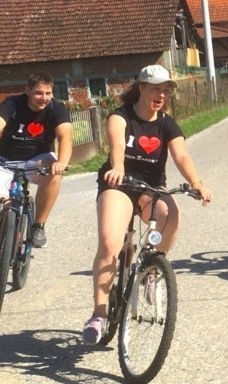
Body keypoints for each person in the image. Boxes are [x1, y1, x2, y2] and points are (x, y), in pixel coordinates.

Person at [82, 64, 212, 345]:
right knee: (109, 245)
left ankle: (152, 267)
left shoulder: (166, 123)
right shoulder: (121, 117)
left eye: (166, 91)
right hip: (120, 184)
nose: (161, 95)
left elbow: (182, 156)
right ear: (141, 87)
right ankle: (99, 315)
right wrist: (117, 167)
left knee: (171, 214)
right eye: (156, 88)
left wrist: (197, 182)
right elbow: (116, 144)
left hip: (150, 187)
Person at [0, 72, 73, 283]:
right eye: (38, 93)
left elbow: (65, 136)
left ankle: (38, 226)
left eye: (48, 93)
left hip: (38, 159)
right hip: (5, 160)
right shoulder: (12, 104)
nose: (43, 98)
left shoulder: (57, 109)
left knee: (54, 175)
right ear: (27, 91)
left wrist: (61, 161)